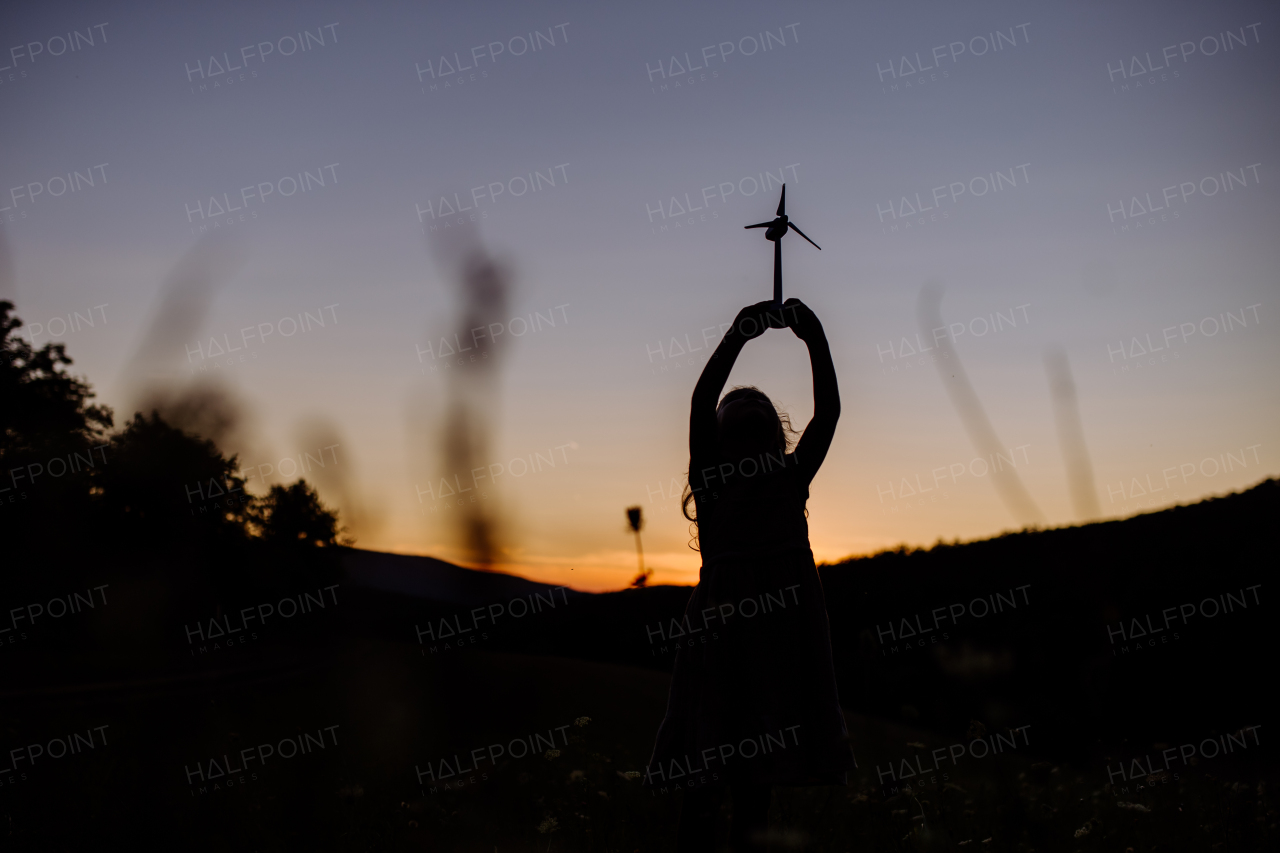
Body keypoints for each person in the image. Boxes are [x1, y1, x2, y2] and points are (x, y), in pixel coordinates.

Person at [645, 299, 855, 851]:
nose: (743, 406)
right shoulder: (713, 484)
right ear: (716, 441)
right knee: (706, 770)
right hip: (719, 636)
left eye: (754, 407)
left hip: (778, 639)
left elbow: (828, 413)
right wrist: (739, 336)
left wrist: (815, 339)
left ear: (775, 439)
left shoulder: (790, 477)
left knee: (756, 777)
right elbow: (699, 400)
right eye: (735, 408)